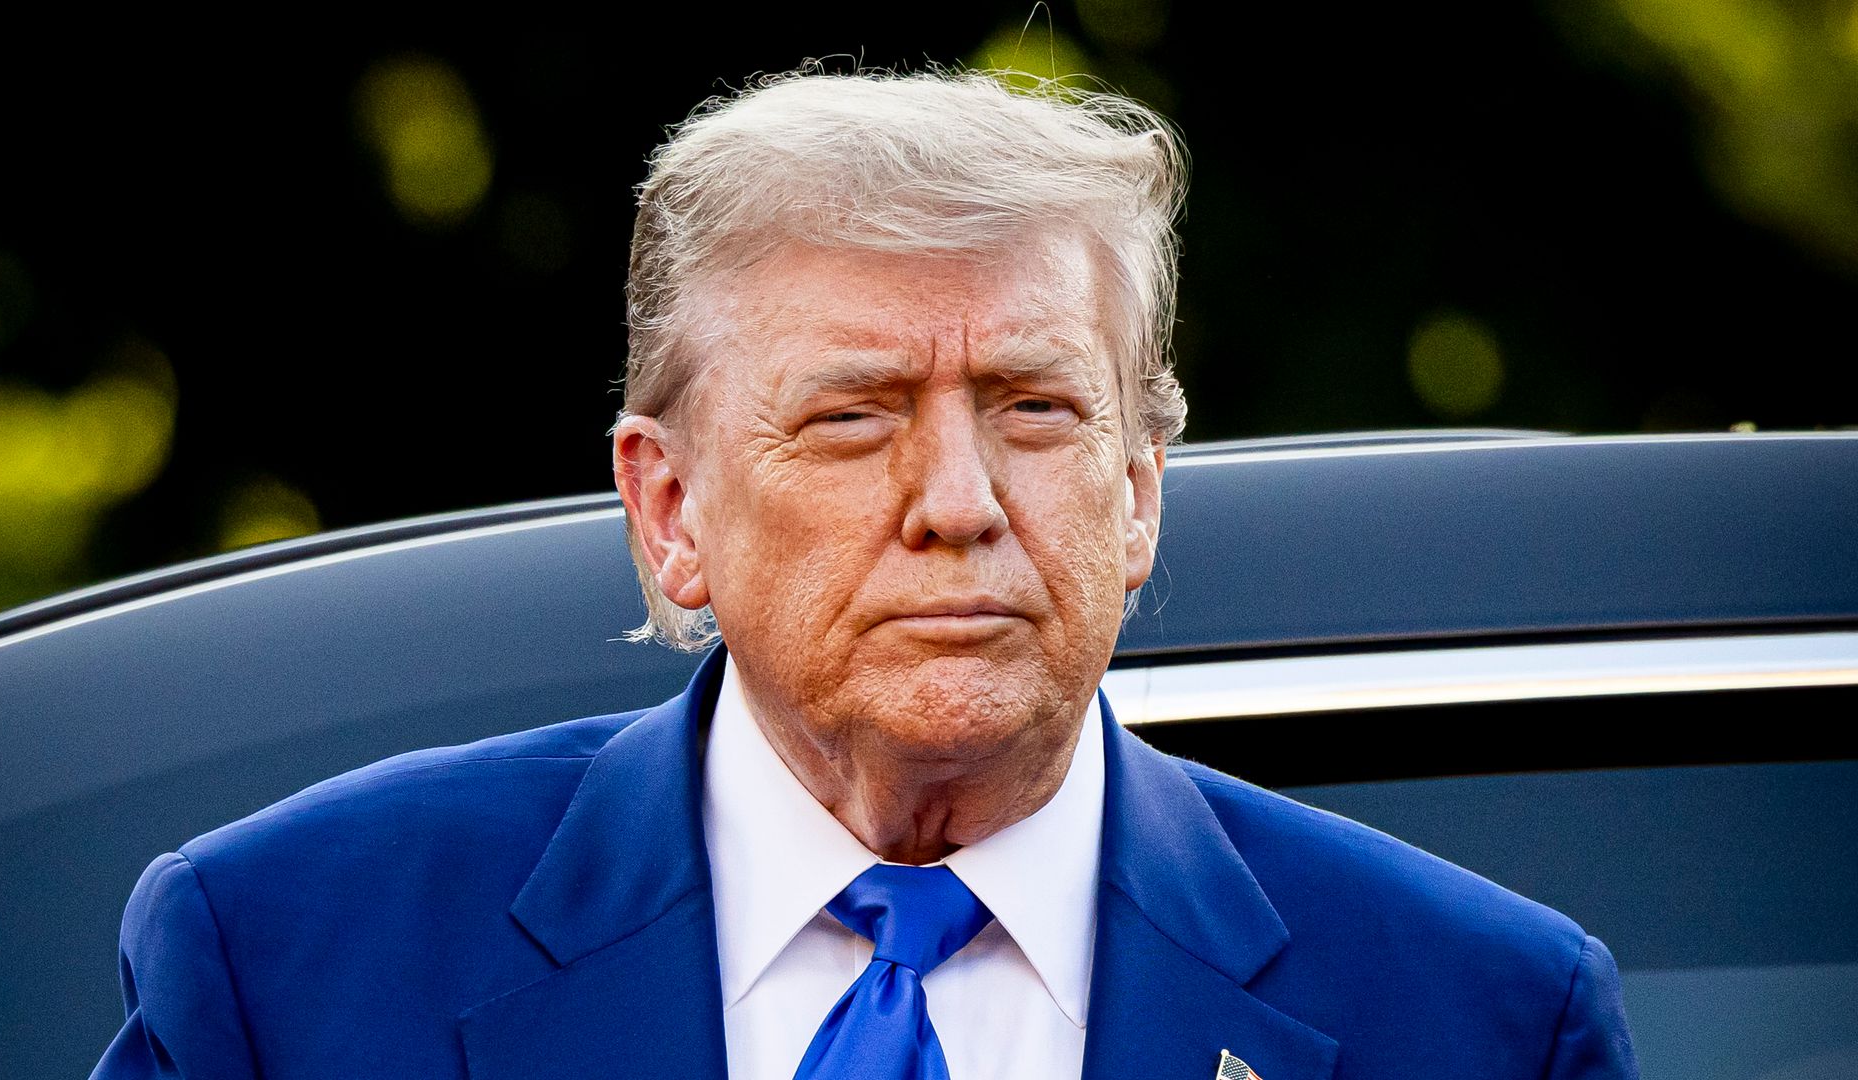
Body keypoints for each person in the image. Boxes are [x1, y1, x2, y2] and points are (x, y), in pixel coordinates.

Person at [92, 69, 1638, 1080]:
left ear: (1141, 489)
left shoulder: (1482, 1019)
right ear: (672, 507)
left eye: (1035, 409)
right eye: (852, 420)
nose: (958, 504)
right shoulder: (291, 963)